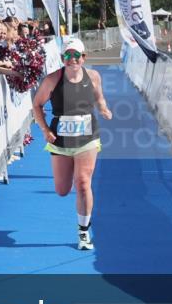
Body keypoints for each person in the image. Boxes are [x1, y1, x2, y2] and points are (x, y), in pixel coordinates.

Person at [32, 38, 112, 251]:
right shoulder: (52, 80)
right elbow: (37, 105)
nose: (72, 59)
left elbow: (99, 97)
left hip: (88, 138)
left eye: (77, 55)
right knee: (62, 190)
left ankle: (84, 232)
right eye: (68, 55)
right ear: (62, 59)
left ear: (83, 58)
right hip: (60, 140)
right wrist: (45, 130)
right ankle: (82, 223)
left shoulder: (93, 76)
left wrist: (103, 108)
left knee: (83, 183)